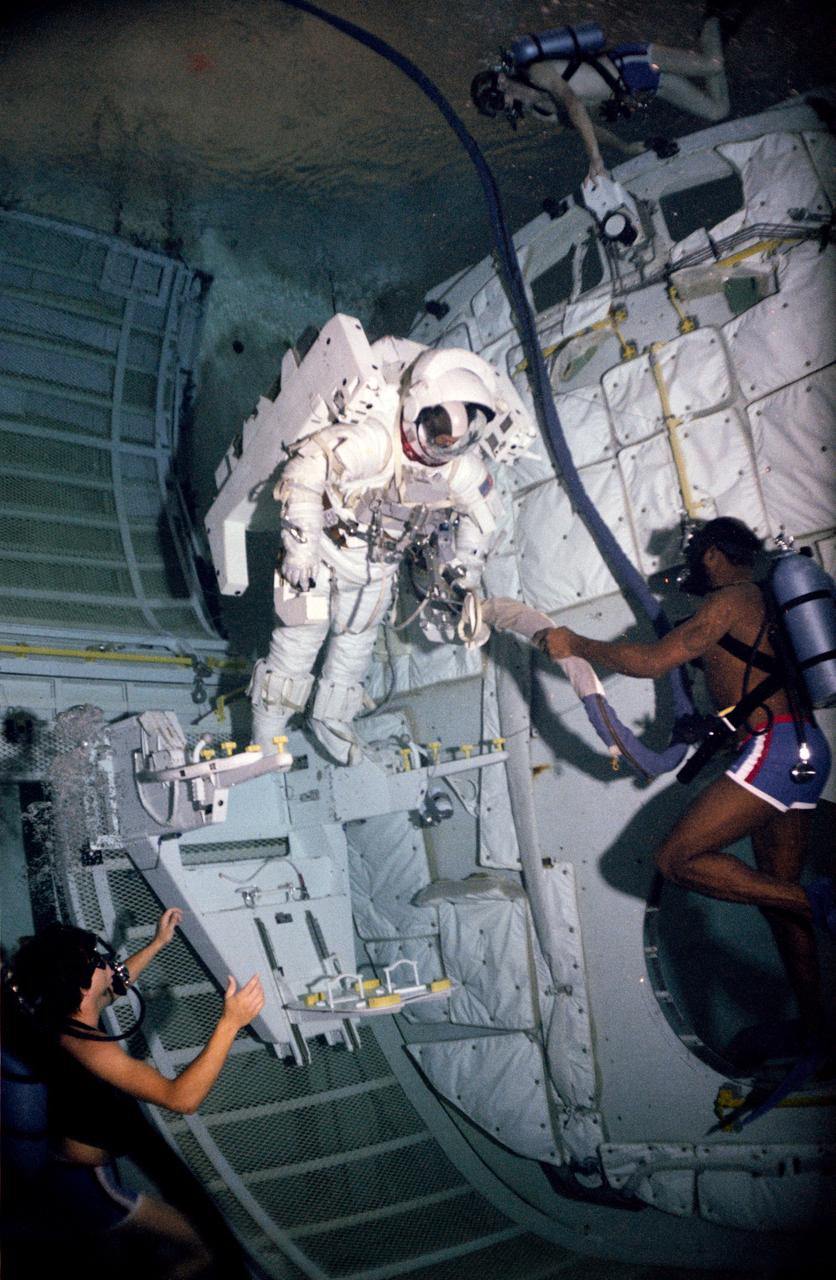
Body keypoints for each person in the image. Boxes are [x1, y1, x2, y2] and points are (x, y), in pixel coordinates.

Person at [535, 518, 833, 1046]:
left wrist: (574, 642)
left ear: (715, 555)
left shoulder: (732, 598)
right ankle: (820, 1034)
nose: (694, 570)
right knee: (779, 903)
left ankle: (821, 903)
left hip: (775, 748)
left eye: (697, 558)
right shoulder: (764, 603)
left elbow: (652, 662)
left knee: (676, 859)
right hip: (805, 750)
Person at [249, 344, 504, 765]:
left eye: (456, 440)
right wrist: (301, 549)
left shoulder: (457, 466)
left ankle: (330, 721)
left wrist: (465, 571)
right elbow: (307, 467)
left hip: (376, 571)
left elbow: (481, 518)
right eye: (438, 433)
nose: (444, 447)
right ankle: (265, 738)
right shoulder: (376, 439)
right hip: (322, 553)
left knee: (354, 647)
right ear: (415, 410)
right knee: (298, 641)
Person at [2, 909, 264, 1278]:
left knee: (112, 1256)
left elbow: (118, 981)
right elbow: (181, 1098)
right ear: (81, 985)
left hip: (76, 1172)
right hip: (86, 1185)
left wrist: (158, 942)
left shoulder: (70, 1015)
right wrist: (230, 1023)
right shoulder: (90, 1049)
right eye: (96, 961)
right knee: (205, 1247)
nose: (109, 964)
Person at [471, 15, 730, 181]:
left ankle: (712, 20)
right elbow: (591, 128)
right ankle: (716, 33)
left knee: (713, 65)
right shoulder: (542, 112)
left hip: (633, 60)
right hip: (645, 86)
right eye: (497, 109)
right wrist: (625, 147)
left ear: (502, 81)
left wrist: (595, 159)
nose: (504, 107)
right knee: (717, 111)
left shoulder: (538, 73)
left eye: (497, 100)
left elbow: (573, 104)